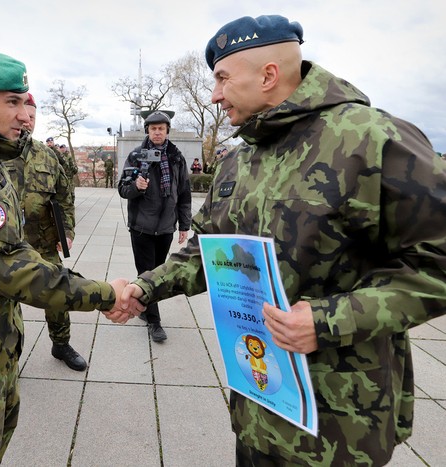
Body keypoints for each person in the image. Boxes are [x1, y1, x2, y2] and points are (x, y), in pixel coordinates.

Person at [120, 14, 446, 465]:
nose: (214, 94)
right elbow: (208, 247)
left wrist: (329, 319)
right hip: (258, 404)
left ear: (268, 75)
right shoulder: (239, 158)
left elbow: (438, 263)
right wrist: (145, 287)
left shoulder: (372, 140)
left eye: (221, 78)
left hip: (339, 425)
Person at [0, 50, 143, 465]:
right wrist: (106, 294)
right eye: (12, 102)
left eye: (24, 102)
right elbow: (12, 268)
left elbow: (15, 246)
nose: (23, 115)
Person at [4, 92, 86, 371]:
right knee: (6, 306)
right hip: (5, 248)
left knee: (57, 294)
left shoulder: (46, 155)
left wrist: (68, 231)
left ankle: (60, 344)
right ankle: (9, 357)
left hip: (44, 243)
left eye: (32, 116)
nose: (27, 121)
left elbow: (65, 195)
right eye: (22, 114)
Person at [118, 110, 192, 342]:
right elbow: (123, 189)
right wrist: (136, 187)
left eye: (161, 128)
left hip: (166, 227)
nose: (157, 132)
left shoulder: (177, 157)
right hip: (141, 226)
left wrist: (184, 224)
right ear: (147, 131)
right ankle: (154, 321)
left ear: (167, 131)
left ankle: (144, 306)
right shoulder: (136, 156)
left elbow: (184, 193)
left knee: (158, 272)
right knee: (146, 272)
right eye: (153, 129)